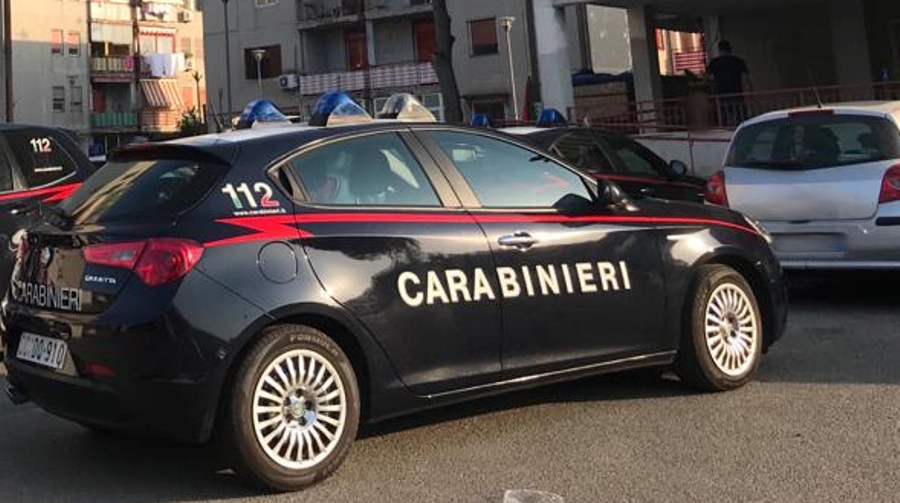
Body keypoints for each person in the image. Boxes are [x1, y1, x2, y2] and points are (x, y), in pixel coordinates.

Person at [707, 40, 752, 126]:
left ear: (719, 49)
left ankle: (724, 130)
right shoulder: (738, 62)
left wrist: (712, 93)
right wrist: (749, 93)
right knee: (741, 118)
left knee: (723, 119)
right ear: (730, 49)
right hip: (737, 94)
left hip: (721, 95)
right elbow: (745, 80)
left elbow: (709, 79)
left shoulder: (714, 63)